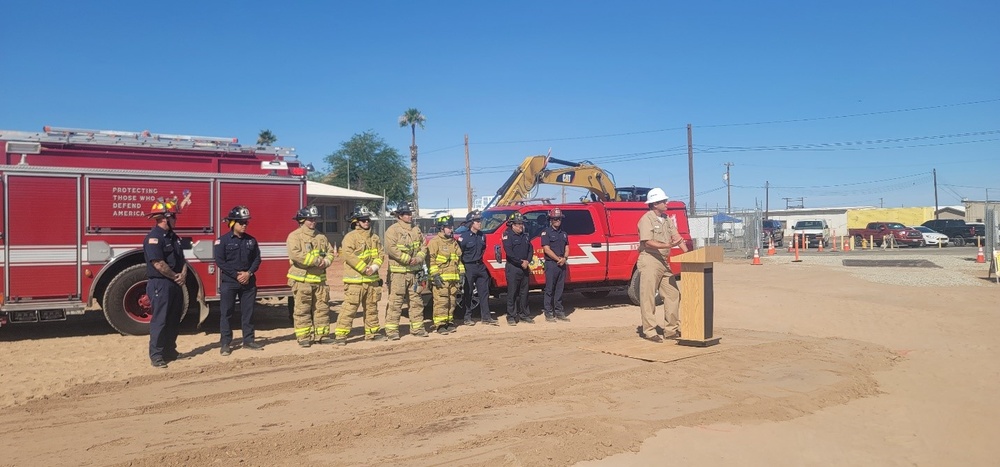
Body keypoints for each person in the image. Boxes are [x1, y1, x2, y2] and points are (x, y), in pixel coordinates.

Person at [636, 187, 688, 343]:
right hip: (650, 260)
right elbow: (648, 242)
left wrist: (688, 254)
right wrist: (668, 246)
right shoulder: (646, 219)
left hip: (664, 262)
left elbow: (677, 238)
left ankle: (671, 330)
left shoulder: (667, 219)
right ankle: (650, 331)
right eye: (663, 201)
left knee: (673, 294)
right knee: (648, 296)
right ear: (654, 204)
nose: (666, 203)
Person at [143, 197, 187, 369]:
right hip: (161, 284)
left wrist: (182, 275)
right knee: (160, 320)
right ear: (165, 218)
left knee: (173, 319)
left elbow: (182, 260)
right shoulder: (154, 238)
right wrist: (175, 277)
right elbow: (158, 263)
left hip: (175, 283)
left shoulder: (174, 237)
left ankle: (170, 351)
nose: (176, 219)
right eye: (174, 216)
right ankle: (157, 355)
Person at [214, 205, 263, 356]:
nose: (244, 225)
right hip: (230, 282)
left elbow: (257, 259)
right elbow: (220, 261)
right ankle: (225, 344)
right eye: (241, 222)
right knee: (226, 313)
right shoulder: (221, 241)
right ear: (232, 223)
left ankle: (248, 341)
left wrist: (248, 273)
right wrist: (236, 275)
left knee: (248, 313)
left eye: (246, 222)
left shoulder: (251, 241)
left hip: (248, 282)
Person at [334, 206, 385, 345]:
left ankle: (372, 333)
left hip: (372, 280)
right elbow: (348, 255)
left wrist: (374, 267)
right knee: (349, 309)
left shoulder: (374, 238)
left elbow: (380, 254)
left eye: (368, 219)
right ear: (356, 222)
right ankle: (340, 336)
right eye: (363, 220)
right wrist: (364, 268)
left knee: (371, 308)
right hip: (355, 281)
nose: (366, 222)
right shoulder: (350, 237)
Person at [286, 205, 333, 347]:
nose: (313, 221)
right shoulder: (294, 236)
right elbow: (296, 255)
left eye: (315, 219)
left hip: (320, 281)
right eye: (310, 219)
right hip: (302, 280)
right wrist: (316, 261)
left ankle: (322, 336)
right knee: (302, 310)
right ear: (302, 220)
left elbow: (330, 252)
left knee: (322, 309)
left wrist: (326, 261)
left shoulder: (321, 237)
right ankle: (304, 337)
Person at [383, 202, 427, 340]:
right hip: (398, 274)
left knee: (416, 301)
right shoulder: (392, 230)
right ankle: (392, 331)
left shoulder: (416, 230)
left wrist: (419, 258)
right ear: (400, 216)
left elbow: (423, 246)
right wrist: (408, 259)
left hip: (415, 273)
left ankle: (418, 328)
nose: (410, 216)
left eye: (410, 213)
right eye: (407, 214)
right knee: (395, 302)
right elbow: (391, 249)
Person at [426, 214, 464, 333]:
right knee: (441, 302)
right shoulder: (434, 242)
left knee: (451, 302)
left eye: (451, 227)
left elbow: (459, 260)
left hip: (453, 280)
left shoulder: (453, 242)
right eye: (448, 227)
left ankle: (449, 321)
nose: (451, 229)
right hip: (441, 279)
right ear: (442, 228)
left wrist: (462, 273)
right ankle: (440, 325)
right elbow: (430, 261)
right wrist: (435, 275)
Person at [459, 210, 498, 326]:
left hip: (480, 266)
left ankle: (486, 317)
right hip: (469, 267)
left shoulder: (482, 236)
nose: (479, 223)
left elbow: (482, 249)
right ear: (471, 223)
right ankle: (467, 317)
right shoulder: (463, 237)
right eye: (477, 221)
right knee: (468, 292)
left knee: (484, 292)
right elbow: (460, 253)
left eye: (480, 221)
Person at [502, 212, 534, 325]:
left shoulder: (525, 235)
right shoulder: (507, 235)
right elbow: (509, 253)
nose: (521, 226)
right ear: (513, 225)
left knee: (524, 293)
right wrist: (520, 262)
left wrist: (527, 261)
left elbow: (531, 249)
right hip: (513, 268)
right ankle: (511, 316)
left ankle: (524, 314)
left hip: (524, 267)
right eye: (518, 224)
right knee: (512, 293)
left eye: (521, 223)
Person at [541, 207, 570, 322]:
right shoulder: (546, 233)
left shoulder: (563, 233)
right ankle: (548, 312)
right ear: (551, 220)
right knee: (549, 289)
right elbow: (546, 249)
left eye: (559, 218)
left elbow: (567, 247)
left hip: (562, 264)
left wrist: (565, 258)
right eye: (555, 218)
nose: (558, 220)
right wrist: (558, 259)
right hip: (551, 264)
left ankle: (559, 311)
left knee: (559, 289)